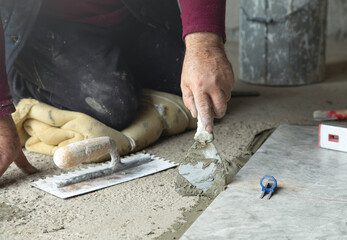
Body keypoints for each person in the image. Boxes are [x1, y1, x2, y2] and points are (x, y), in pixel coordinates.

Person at [0, 0, 234, 177]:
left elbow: (203, 48)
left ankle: (113, 66)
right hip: (46, 23)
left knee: (196, 86)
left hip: (131, 10)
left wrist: (205, 43)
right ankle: (20, 77)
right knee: (112, 104)